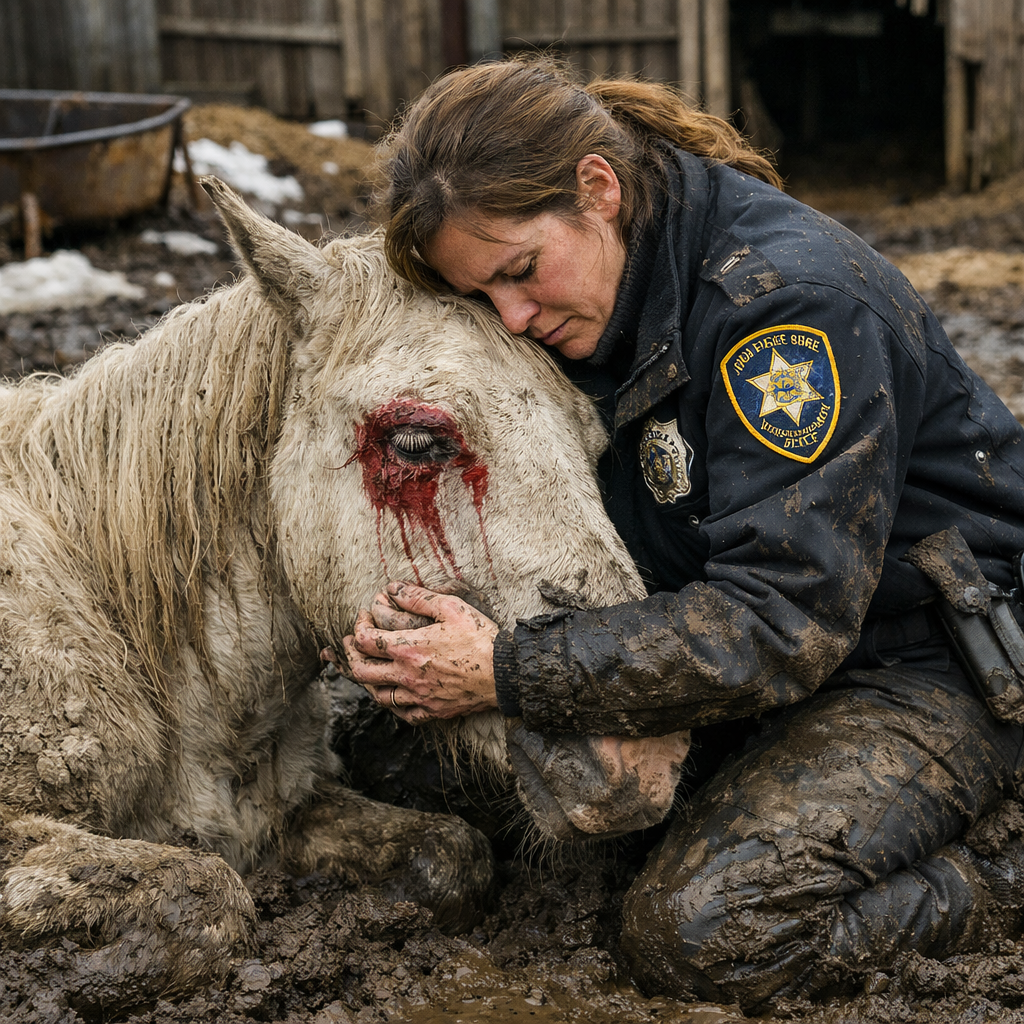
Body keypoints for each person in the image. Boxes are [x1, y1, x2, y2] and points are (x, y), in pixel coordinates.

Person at [341, 55, 1024, 1011]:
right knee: (385, 755)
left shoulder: (786, 314)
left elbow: (781, 623)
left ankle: (999, 872)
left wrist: (505, 670)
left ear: (598, 188)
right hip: (735, 637)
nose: (513, 317)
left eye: (522, 273)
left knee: (704, 935)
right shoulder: (594, 293)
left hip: (920, 662)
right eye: (481, 297)